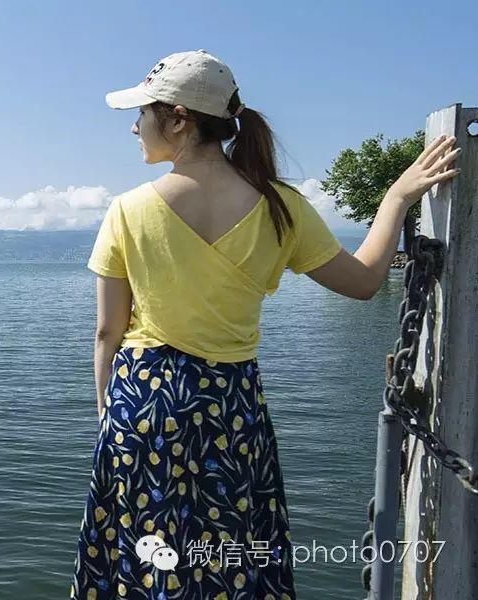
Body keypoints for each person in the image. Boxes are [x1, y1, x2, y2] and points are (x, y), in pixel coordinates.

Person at [69, 50, 460, 600]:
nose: (135, 125)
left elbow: (108, 332)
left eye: (144, 113)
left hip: (144, 403)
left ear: (178, 118)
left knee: (144, 551)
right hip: (232, 405)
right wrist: (395, 198)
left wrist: (109, 408)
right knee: (233, 550)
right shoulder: (281, 206)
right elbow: (366, 280)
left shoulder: (128, 211)